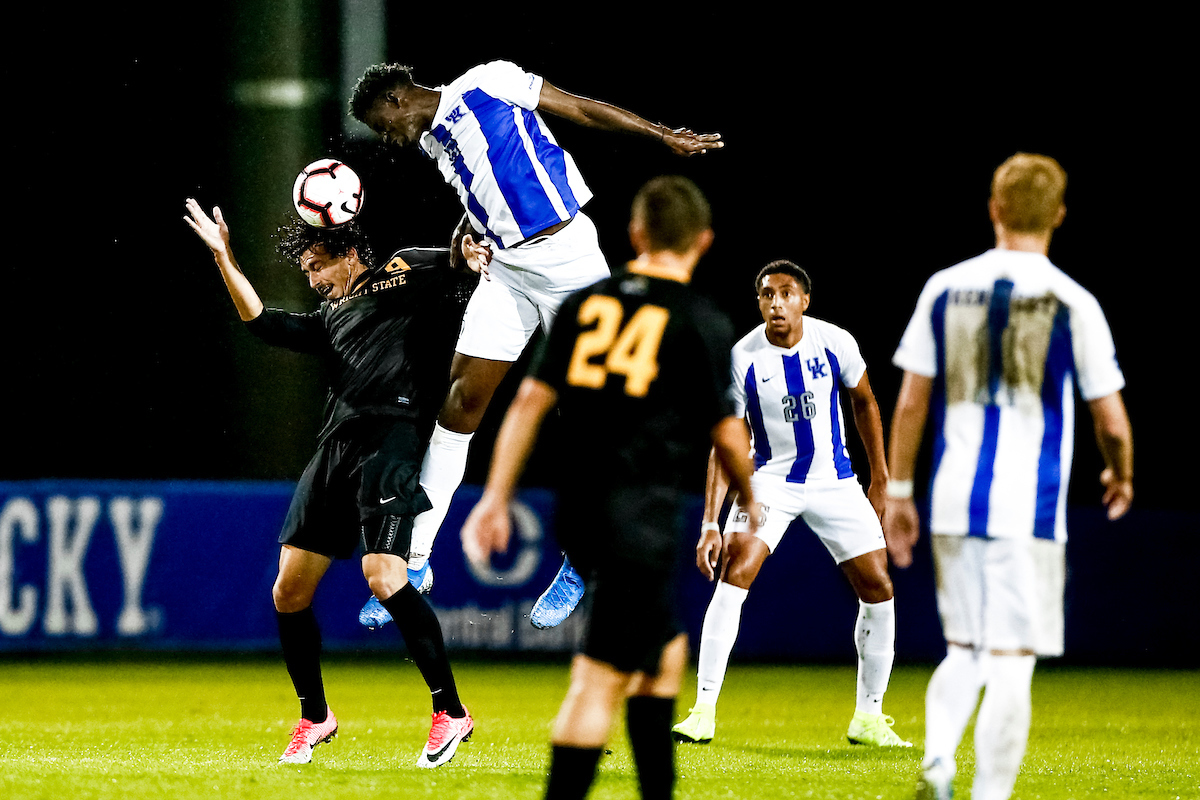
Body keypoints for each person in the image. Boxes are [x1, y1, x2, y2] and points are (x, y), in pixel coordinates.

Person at [348, 60, 724, 630]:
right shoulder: (432, 144)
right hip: (505, 269)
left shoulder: (487, 82)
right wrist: (466, 234)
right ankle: (413, 561)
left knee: (597, 415)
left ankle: (582, 560)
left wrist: (662, 135)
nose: (387, 138)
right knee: (459, 403)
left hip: (567, 261)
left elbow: (578, 106)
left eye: (382, 124)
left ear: (398, 99)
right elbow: (479, 198)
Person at [461, 176, 759, 799]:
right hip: (639, 513)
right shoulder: (699, 319)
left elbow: (527, 405)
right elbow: (727, 432)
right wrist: (752, 503)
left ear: (636, 233)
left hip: (583, 507)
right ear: (704, 241)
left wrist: (495, 496)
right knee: (597, 680)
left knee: (664, 655)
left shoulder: (585, 304)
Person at [183, 198, 486, 768]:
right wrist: (225, 257)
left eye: (318, 267)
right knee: (288, 591)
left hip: (391, 437)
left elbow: (455, 256)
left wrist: (469, 253)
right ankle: (315, 716)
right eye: (307, 273)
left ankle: (450, 711)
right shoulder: (331, 317)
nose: (314, 279)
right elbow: (262, 323)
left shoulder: (401, 271)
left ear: (348, 255)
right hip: (336, 446)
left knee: (384, 574)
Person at [883, 153, 1134, 800]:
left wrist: (900, 492)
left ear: (994, 209)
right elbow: (1110, 419)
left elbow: (911, 400)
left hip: (952, 499)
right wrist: (1120, 473)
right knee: (1012, 661)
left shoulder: (943, 287)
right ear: (1058, 215)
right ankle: (988, 795)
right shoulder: (1073, 300)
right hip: (1030, 507)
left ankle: (939, 760)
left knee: (963, 648)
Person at [671, 260, 911, 748]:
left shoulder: (835, 342)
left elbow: (865, 401)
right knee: (735, 571)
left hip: (836, 481)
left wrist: (880, 477)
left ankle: (868, 717)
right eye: (766, 295)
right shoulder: (743, 357)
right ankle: (702, 712)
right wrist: (710, 522)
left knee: (879, 586)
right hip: (768, 482)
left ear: (805, 300)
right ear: (758, 302)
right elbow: (725, 440)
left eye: (785, 293)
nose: (775, 303)